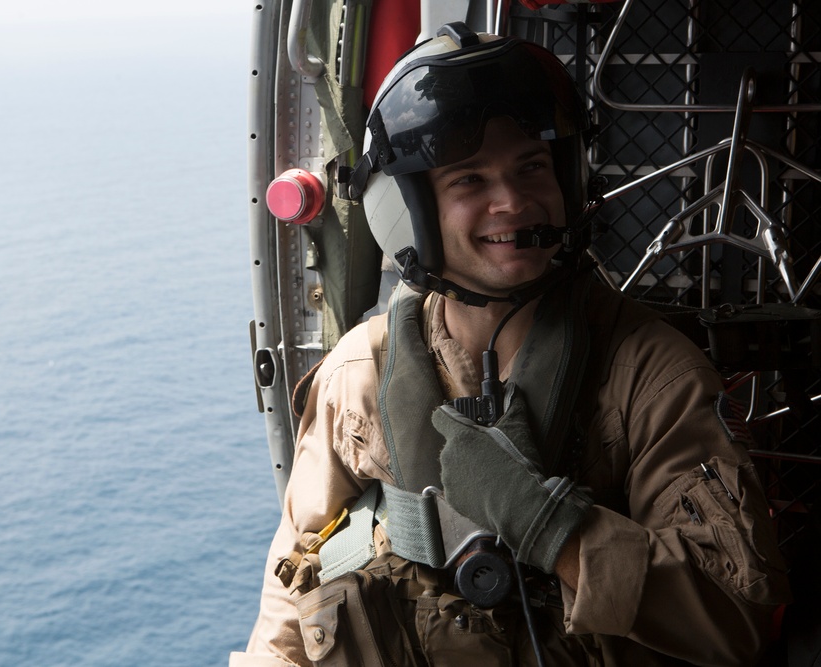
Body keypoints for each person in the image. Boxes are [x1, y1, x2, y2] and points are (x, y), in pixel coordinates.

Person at [232, 24, 790, 667]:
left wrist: (552, 528)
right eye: (470, 181)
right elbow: (290, 596)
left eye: (531, 167)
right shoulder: (357, 376)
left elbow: (734, 615)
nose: (515, 201)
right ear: (406, 213)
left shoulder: (650, 377)